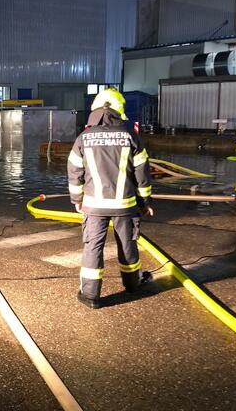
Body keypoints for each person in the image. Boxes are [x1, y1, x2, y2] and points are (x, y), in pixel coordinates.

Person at [67, 87, 153, 309]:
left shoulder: (83, 138)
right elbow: (142, 174)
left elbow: (74, 171)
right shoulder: (131, 136)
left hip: (94, 206)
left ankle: (91, 296)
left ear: (95, 110)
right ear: (119, 110)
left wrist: (77, 199)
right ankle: (133, 285)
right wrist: (145, 202)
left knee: (93, 247)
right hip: (125, 206)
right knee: (128, 245)